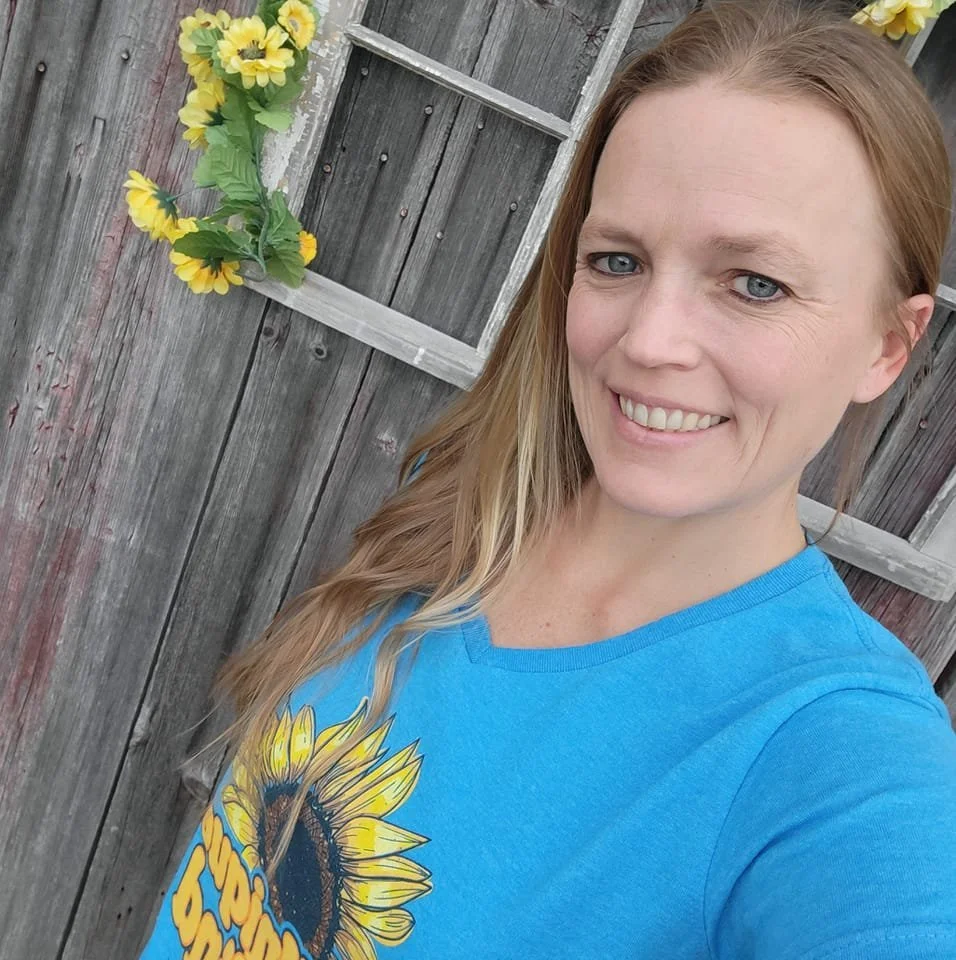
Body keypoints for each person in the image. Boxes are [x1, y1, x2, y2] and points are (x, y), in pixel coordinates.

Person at [138, 0, 956, 957]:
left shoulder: (837, 755)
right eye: (617, 261)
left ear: (888, 346)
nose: (648, 340)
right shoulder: (469, 508)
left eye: (755, 283)